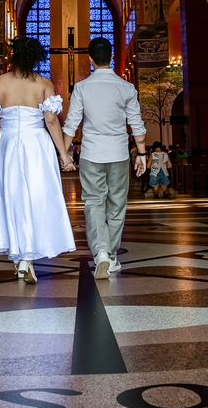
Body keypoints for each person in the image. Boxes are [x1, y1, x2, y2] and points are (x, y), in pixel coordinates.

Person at [0, 36, 77, 284]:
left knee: (11, 197)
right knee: (36, 197)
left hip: (7, 143)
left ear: (13, 56)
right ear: (35, 58)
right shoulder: (43, 84)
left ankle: (21, 257)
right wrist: (63, 153)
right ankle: (26, 258)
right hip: (36, 145)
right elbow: (51, 121)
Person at [62, 37, 147, 280]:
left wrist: (63, 154)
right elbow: (137, 125)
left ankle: (100, 251)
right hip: (119, 154)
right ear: (112, 57)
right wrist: (141, 154)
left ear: (90, 59)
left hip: (91, 154)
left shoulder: (81, 88)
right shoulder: (126, 88)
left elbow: (71, 125)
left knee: (94, 203)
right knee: (117, 204)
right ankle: (110, 255)